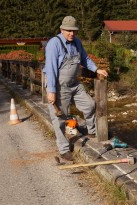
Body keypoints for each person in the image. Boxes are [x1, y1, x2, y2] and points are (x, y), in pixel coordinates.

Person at [43, 16, 108, 161]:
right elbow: (51, 68)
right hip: (59, 87)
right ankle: (64, 150)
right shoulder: (54, 43)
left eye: (74, 31)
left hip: (74, 84)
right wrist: (51, 91)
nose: (71, 33)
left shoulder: (77, 42)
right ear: (61, 29)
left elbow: (85, 59)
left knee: (90, 105)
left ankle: (91, 131)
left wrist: (97, 70)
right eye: (68, 31)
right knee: (60, 118)